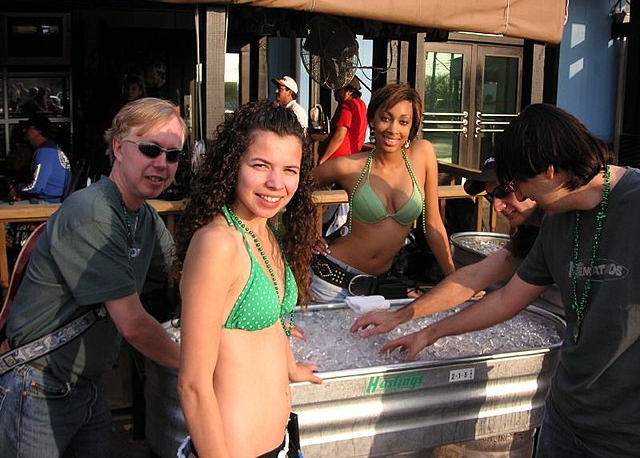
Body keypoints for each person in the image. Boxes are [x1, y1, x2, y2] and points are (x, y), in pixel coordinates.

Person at [378, 103, 639, 457]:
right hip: (565, 418)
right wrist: (425, 331)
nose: (519, 197)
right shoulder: (555, 219)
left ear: (549, 171)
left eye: (517, 185)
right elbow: (503, 297)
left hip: (624, 434)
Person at [0, 97, 184, 457]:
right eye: (149, 149)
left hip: (87, 389)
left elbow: (183, 272)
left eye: (172, 155)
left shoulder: (142, 217)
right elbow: (133, 325)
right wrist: (203, 366)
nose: (161, 163)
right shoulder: (93, 211)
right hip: (38, 388)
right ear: (118, 147)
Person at [176, 100, 322, 458]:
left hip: (278, 445)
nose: (276, 182)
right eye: (260, 165)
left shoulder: (264, 229)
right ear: (232, 165)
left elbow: (269, 321)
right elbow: (192, 384)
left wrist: (290, 367)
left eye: (290, 169)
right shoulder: (218, 244)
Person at [351, 155, 541, 337]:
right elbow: (473, 277)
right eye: (491, 197)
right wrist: (399, 318)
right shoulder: (529, 232)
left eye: (502, 192)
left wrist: (429, 333)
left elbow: (505, 300)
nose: (497, 207)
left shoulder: (561, 220)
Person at [310, 82, 455, 303]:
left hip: (377, 287)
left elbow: (433, 224)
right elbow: (293, 188)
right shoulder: (349, 166)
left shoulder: (422, 154)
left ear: (412, 126)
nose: (393, 129)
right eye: (385, 118)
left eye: (403, 122)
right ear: (372, 120)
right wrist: (307, 235)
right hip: (330, 282)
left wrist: (454, 280)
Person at [9, 115, 71, 203]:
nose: (25, 130)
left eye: (28, 128)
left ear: (39, 130)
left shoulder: (44, 152)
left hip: (46, 202)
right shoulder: (50, 147)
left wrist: (17, 189)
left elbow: (36, 187)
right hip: (52, 199)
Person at [317, 76, 367, 165]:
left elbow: (339, 136)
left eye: (338, 89)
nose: (334, 91)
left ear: (349, 92)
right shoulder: (361, 105)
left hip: (338, 160)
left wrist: (323, 160)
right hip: (354, 158)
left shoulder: (347, 106)